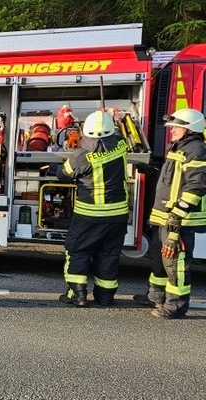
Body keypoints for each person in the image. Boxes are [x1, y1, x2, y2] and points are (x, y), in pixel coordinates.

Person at [134, 108, 206, 318]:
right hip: (164, 216)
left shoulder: (197, 150)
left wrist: (177, 217)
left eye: (177, 127)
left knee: (176, 262)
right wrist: (152, 171)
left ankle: (176, 304)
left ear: (189, 130)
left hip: (179, 219)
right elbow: (173, 180)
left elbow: (196, 187)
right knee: (158, 256)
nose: (172, 131)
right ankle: (155, 295)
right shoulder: (181, 148)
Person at [55, 111, 129, 307]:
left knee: (78, 250)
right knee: (109, 254)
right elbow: (114, 138)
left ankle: (77, 294)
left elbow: (64, 174)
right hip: (118, 215)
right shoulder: (121, 144)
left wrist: (55, 167)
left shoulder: (83, 155)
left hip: (89, 214)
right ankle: (105, 297)